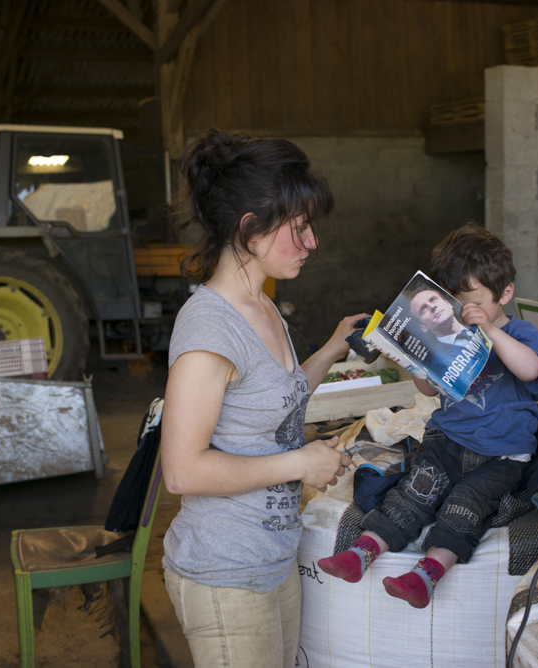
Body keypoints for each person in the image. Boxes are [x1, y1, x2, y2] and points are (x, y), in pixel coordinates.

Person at [160, 129, 365, 668]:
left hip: (273, 557)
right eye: (299, 229)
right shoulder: (211, 329)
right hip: (225, 572)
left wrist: (334, 346)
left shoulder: (263, 305)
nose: (312, 242)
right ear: (250, 230)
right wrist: (301, 462)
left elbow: (278, 395)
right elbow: (181, 471)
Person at [318, 222, 538, 609]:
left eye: (472, 301)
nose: (463, 311)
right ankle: (361, 552)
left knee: (465, 504)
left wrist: (490, 330)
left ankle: (426, 576)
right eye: (455, 301)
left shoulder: (521, 333)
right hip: (448, 441)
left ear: (505, 292)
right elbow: (428, 391)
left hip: (501, 455)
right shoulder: (448, 337)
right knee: (413, 491)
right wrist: (410, 361)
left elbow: (530, 370)